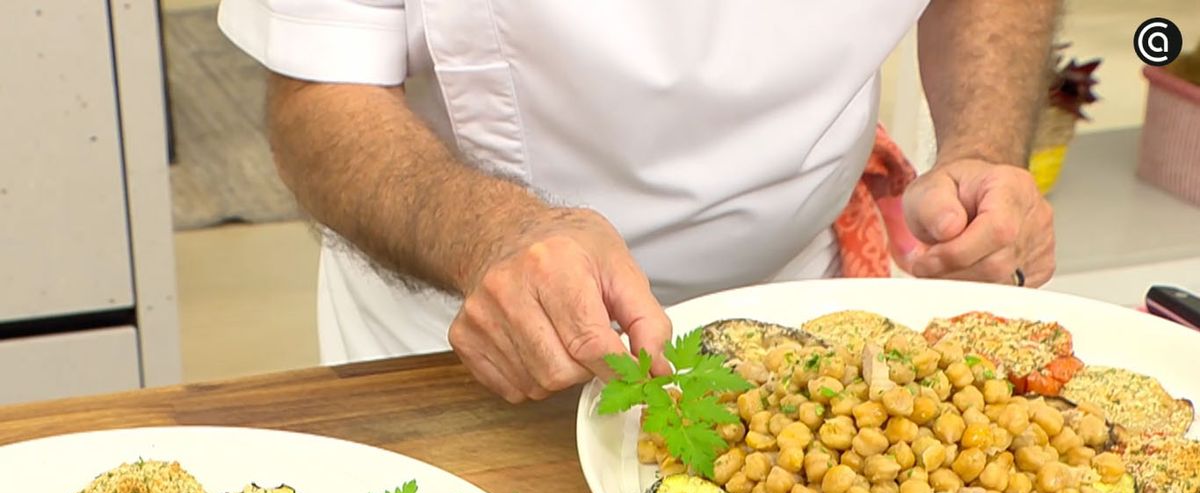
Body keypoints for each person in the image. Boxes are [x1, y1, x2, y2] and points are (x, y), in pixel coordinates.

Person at [218, 0, 1058, 402]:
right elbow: (321, 96)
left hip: (798, 306)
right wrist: (492, 234)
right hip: (481, 327)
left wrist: (984, 145)